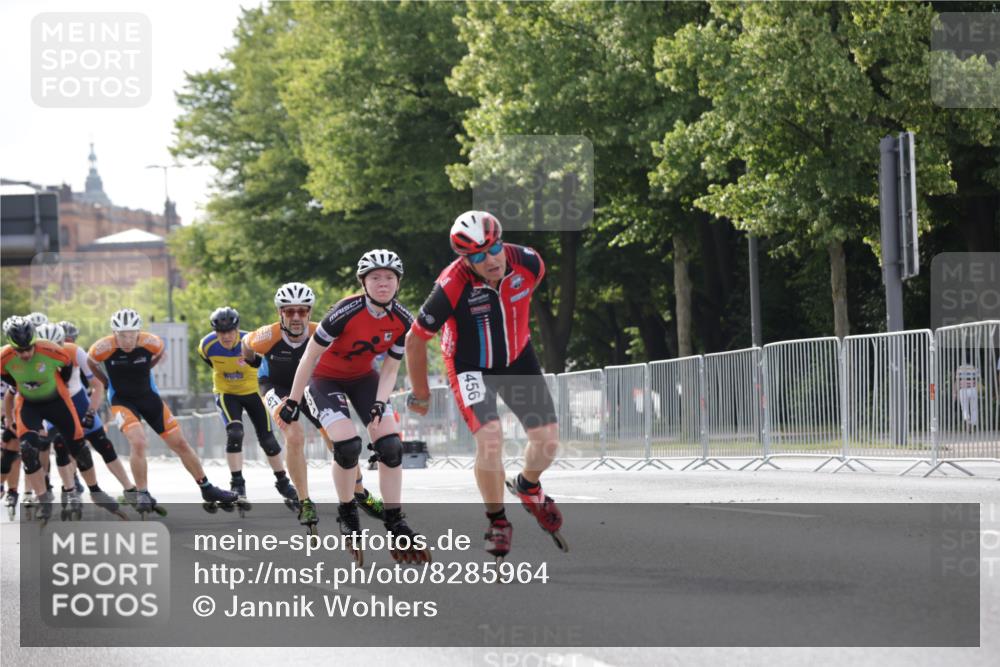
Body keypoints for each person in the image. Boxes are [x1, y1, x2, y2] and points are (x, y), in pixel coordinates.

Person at [405, 211, 567, 559]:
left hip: (517, 358)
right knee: (491, 439)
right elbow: (415, 340)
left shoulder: (530, 263)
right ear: (465, 259)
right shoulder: (451, 284)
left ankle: (527, 486)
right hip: (469, 366)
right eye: (477, 256)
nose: (490, 260)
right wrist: (420, 392)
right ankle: (497, 520)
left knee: (548, 442)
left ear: (501, 242)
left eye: (493, 249)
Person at [282, 250, 429, 564]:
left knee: (390, 446)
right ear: (363, 282)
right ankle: (348, 511)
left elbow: (390, 368)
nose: (383, 283)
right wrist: (293, 400)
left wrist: (379, 402)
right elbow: (309, 357)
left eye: (389, 277)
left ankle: (395, 520)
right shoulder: (344, 312)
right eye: (375, 277)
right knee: (347, 446)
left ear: (398, 282)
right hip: (325, 380)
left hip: (365, 379)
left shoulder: (403, 319)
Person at [243, 283, 383, 534]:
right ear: (280, 313)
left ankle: (360, 493)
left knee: (338, 439)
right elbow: (246, 343)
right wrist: (253, 362)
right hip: (275, 386)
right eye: (289, 312)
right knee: (295, 436)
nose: (296, 317)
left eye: (302, 311)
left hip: (309, 385)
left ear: (309, 312)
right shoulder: (267, 335)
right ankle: (305, 501)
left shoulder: (321, 332)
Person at [87, 309, 237, 515]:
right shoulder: (102, 348)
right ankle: (142, 492)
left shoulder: (151, 342)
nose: (127, 340)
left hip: (149, 398)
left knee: (180, 443)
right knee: (138, 441)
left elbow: (160, 352)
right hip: (121, 401)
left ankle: (207, 488)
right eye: (122, 335)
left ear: (138, 332)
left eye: (132, 334)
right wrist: (105, 382)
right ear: (114, 333)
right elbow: (91, 362)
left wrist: (148, 366)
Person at [0, 317, 119, 522]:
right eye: (20, 351)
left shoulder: (51, 350)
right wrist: (9, 416)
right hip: (29, 405)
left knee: (79, 448)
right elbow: (10, 385)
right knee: (28, 449)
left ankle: (95, 490)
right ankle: (43, 497)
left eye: (29, 348)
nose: (26, 354)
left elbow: (66, 372)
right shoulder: (4, 358)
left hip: (57, 402)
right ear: (11, 346)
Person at [199, 306, 299, 510]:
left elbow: (265, 365)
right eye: (221, 332)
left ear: (237, 329)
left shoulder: (251, 342)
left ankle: (283, 483)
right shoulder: (206, 346)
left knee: (268, 440)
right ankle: (237, 484)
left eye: (230, 332)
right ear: (215, 332)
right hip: (227, 393)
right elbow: (209, 363)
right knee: (235, 433)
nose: (226, 336)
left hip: (253, 392)